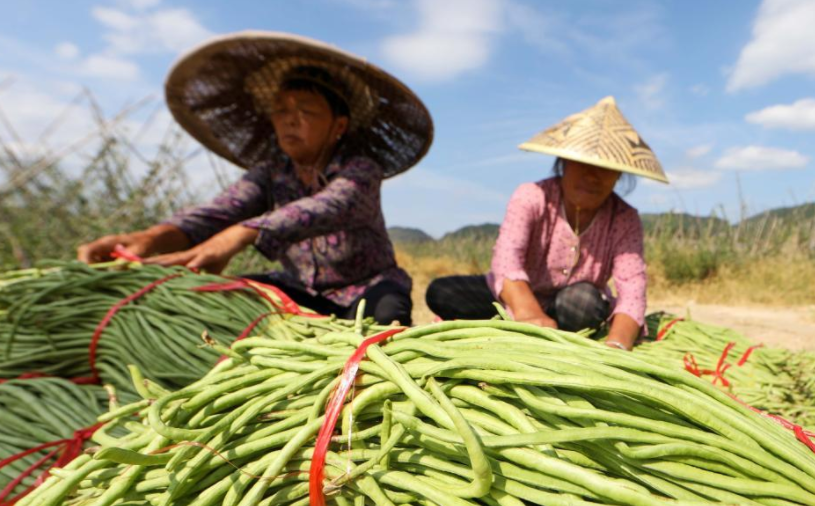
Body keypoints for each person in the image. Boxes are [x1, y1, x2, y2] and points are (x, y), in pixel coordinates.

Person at [77, 31, 434, 326]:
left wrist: (243, 233)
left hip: (367, 287)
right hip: (299, 289)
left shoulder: (360, 169)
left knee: (385, 321)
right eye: (281, 110)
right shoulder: (270, 173)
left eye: (306, 111)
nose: (290, 119)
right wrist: (151, 238)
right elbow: (219, 212)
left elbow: (332, 205)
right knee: (215, 304)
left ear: (338, 125)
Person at [425, 96, 669, 350]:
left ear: (619, 175)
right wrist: (529, 314)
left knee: (585, 303)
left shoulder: (623, 217)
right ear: (564, 161)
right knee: (442, 292)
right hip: (516, 295)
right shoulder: (532, 196)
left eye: (605, 167)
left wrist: (617, 346)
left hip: (569, 304)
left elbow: (632, 290)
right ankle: (518, 326)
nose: (592, 176)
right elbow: (507, 261)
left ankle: (537, 331)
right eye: (583, 163)